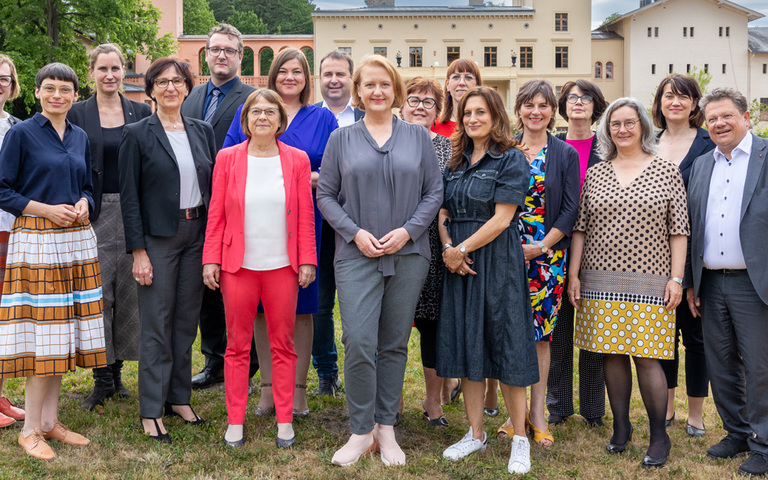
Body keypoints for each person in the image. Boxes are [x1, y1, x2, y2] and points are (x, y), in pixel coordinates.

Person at [317, 55, 442, 467]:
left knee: (393, 343)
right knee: (357, 341)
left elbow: (433, 193)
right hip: (357, 255)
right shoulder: (342, 139)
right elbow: (325, 195)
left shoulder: (418, 137)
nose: (377, 91)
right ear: (358, 90)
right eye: (369, 84)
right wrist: (355, 233)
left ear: (396, 90)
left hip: (408, 254)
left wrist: (408, 231)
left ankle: (385, 428)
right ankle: (360, 430)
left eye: (385, 84)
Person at [568, 97, 689, 468]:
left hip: (652, 279)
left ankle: (659, 435)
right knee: (611, 353)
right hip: (598, 277)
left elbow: (679, 230)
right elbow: (580, 228)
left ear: (642, 127)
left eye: (629, 122)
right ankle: (621, 427)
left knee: (647, 357)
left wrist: (677, 278)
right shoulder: (597, 172)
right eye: (615, 124)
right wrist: (574, 275)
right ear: (607, 130)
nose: (622, 129)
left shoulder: (666, 170)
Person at [0, 62, 107, 460]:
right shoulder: (21, 134)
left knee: (62, 333)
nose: (57, 95)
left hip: (75, 240)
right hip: (37, 240)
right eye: (49, 88)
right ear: (37, 92)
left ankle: (49, 421)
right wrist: (45, 209)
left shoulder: (79, 136)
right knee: (43, 335)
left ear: (75, 95)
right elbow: (2, 190)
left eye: (65, 89)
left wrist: (85, 202)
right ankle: (29, 430)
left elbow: (88, 186)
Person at [224, 48, 337, 417]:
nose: (290, 77)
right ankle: (268, 390)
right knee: (260, 310)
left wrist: (311, 179)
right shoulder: (255, 110)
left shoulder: (322, 118)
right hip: (254, 226)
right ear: (272, 76)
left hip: (305, 222)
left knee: (302, 309)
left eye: (298, 71)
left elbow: (339, 168)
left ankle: (298, 391)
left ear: (307, 78)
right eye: (283, 71)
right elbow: (229, 162)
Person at [203, 89, 316, 448]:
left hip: (283, 266)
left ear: (280, 120)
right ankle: (235, 421)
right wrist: (211, 258)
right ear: (246, 120)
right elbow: (216, 213)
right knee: (237, 346)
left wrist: (307, 259)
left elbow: (305, 215)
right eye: (256, 112)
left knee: (283, 345)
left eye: (270, 112)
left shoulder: (297, 160)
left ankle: (285, 420)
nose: (263, 117)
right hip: (239, 267)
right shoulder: (228, 158)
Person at [436, 86, 537, 474]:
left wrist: (460, 249)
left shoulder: (511, 158)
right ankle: (475, 433)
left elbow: (502, 218)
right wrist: (449, 249)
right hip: (458, 263)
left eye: (480, 112)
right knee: (468, 344)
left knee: (507, 345)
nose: (472, 119)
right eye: (466, 113)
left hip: (496, 262)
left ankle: (520, 438)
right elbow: (443, 212)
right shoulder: (456, 161)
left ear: (495, 116)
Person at [119, 57, 215, 443]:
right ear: (151, 90)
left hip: (196, 234)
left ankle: (178, 397)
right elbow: (129, 197)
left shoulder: (202, 130)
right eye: (162, 82)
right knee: (157, 323)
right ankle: (151, 408)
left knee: (186, 321)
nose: (171, 87)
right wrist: (138, 252)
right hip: (158, 238)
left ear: (188, 87)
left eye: (178, 81)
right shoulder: (137, 134)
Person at [685, 88, 768, 477]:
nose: (719, 123)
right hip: (711, 282)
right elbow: (693, 225)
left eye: (727, 116)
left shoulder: (765, 156)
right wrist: (691, 282)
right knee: (720, 364)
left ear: (746, 117)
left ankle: (764, 443)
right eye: (712, 118)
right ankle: (737, 432)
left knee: (759, 366)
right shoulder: (703, 164)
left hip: (755, 283)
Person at [493, 79, 580, 447]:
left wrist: (542, 246)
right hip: (503, 254)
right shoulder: (504, 149)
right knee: (508, 333)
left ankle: (538, 414)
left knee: (541, 337)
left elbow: (571, 209)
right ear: (518, 109)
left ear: (552, 111)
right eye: (529, 104)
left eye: (544, 105)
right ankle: (514, 414)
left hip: (547, 258)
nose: (536, 111)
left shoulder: (564, 154)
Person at [67, 44, 151, 410]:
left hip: (133, 212)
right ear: (91, 72)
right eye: (102, 68)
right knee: (98, 296)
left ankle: (117, 374)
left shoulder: (141, 111)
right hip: (92, 213)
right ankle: (101, 378)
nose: (110, 75)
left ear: (123, 71)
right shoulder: (76, 113)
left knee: (130, 295)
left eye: (116, 68)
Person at [181, 23, 258, 390]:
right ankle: (214, 359)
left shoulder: (253, 97)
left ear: (240, 56)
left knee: (241, 286)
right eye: (215, 49)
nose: (221, 55)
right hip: (196, 205)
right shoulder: (191, 96)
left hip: (239, 206)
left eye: (229, 50)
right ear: (206, 54)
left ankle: (250, 359)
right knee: (208, 287)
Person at [652, 74, 714, 437]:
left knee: (695, 337)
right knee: (663, 336)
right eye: (668, 96)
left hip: (697, 252)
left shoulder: (708, 143)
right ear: (659, 102)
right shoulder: (648, 143)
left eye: (683, 96)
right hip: (653, 254)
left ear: (694, 104)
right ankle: (666, 408)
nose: (675, 102)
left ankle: (695, 414)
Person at [547, 80, 608, 428]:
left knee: (592, 331)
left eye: (586, 98)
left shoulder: (608, 148)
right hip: (557, 245)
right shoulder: (553, 146)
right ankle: (558, 405)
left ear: (596, 105)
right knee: (558, 330)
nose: (579, 103)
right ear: (563, 105)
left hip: (599, 250)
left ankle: (593, 408)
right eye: (572, 97)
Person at [399, 76, 451, 427]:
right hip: (395, 245)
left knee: (433, 328)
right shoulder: (387, 141)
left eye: (428, 102)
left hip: (436, 246)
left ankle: (433, 402)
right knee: (393, 327)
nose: (420, 107)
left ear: (438, 112)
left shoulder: (450, 148)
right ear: (401, 106)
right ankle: (393, 399)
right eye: (413, 100)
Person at [312, 50, 363, 397]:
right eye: (327, 74)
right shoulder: (310, 118)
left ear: (351, 79)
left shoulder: (367, 117)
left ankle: (363, 371)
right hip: (318, 223)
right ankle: (327, 372)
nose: (333, 80)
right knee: (319, 303)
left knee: (359, 303)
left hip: (361, 224)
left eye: (340, 74)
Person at [0, 54, 25, 428]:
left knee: (4, 316)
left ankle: (0, 394)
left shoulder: (16, 127)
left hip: (12, 229)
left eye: (3, 79)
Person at [432, 58, 482, 138]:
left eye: (468, 77)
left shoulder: (483, 126)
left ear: (477, 85)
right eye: (456, 77)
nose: (461, 83)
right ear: (448, 85)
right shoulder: (433, 127)